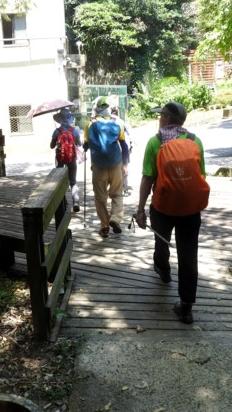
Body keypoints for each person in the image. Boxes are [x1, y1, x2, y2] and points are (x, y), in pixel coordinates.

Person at [134, 101, 208, 324]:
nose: (159, 119)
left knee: (161, 242)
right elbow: (202, 174)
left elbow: (148, 178)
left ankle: (164, 270)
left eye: (161, 116)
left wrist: (140, 210)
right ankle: (186, 307)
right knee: (189, 254)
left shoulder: (155, 142)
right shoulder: (195, 141)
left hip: (163, 207)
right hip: (190, 209)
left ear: (167, 119)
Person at [83, 97, 129, 238]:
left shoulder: (90, 124)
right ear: (108, 108)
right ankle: (115, 218)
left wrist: (86, 147)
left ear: (96, 108)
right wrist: (125, 164)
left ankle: (104, 226)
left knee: (100, 198)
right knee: (117, 194)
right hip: (115, 165)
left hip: (98, 167)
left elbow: (86, 145)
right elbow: (124, 145)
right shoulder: (117, 122)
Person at [51, 108, 82, 212]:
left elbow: (51, 146)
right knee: (73, 181)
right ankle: (76, 202)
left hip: (60, 159)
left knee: (59, 182)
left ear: (60, 119)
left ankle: (63, 203)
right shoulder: (74, 131)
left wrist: (55, 138)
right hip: (71, 158)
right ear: (70, 118)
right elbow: (79, 144)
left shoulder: (57, 131)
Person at [111, 105, 133, 196]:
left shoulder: (108, 121)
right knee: (124, 168)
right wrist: (131, 145)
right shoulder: (121, 122)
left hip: (113, 149)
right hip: (123, 148)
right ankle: (125, 188)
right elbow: (129, 134)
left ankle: (115, 188)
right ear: (118, 112)